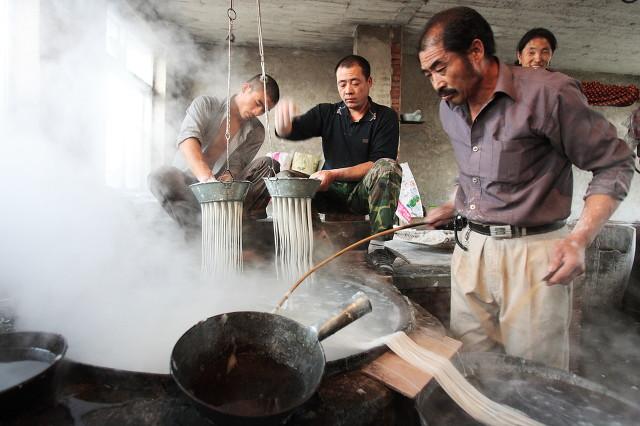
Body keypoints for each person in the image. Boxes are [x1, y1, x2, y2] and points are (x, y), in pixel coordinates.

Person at [418, 7, 634, 369]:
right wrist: (455, 202)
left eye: (440, 68)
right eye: (428, 74)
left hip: (534, 257)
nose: (436, 83)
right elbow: (479, 172)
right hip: (471, 251)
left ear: (476, 51)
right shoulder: (449, 108)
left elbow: (614, 163)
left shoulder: (549, 94)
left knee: (534, 377)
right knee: (472, 368)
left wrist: (579, 239)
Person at [274, 55, 402, 275]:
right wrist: (283, 124)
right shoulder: (327, 113)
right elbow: (294, 130)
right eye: (342, 84)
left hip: (363, 194)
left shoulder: (385, 117)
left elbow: (377, 163)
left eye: (355, 82)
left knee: (388, 167)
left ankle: (379, 247)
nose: (348, 90)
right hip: (329, 193)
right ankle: (308, 242)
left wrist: (331, 173)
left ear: (369, 82)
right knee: (285, 177)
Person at [148, 74, 280, 234]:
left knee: (269, 164)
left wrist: (228, 177)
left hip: (222, 194)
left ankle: (235, 223)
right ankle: (202, 231)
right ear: (246, 88)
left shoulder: (256, 131)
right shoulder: (206, 104)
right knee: (160, 175)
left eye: (265, 110)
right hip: (188, 186)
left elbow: (239, 163)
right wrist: (206, 178)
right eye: (258, 103)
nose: (258, 111)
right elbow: (188, 140)